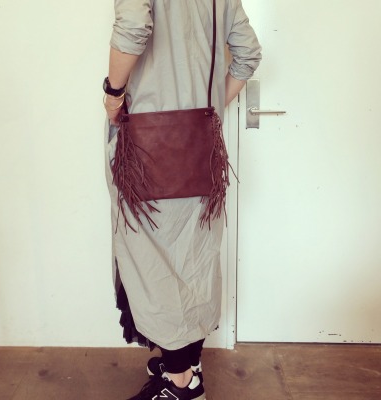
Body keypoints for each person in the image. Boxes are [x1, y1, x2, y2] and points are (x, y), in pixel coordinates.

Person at [103, 1, 261, 399]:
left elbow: (134, 25)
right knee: (194, 261)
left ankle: (182, 385)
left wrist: (113, 93)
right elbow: (248, 54)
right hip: (199, 146)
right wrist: (212, 112)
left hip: (145, 149)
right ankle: (188, 365)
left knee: (153, 265)